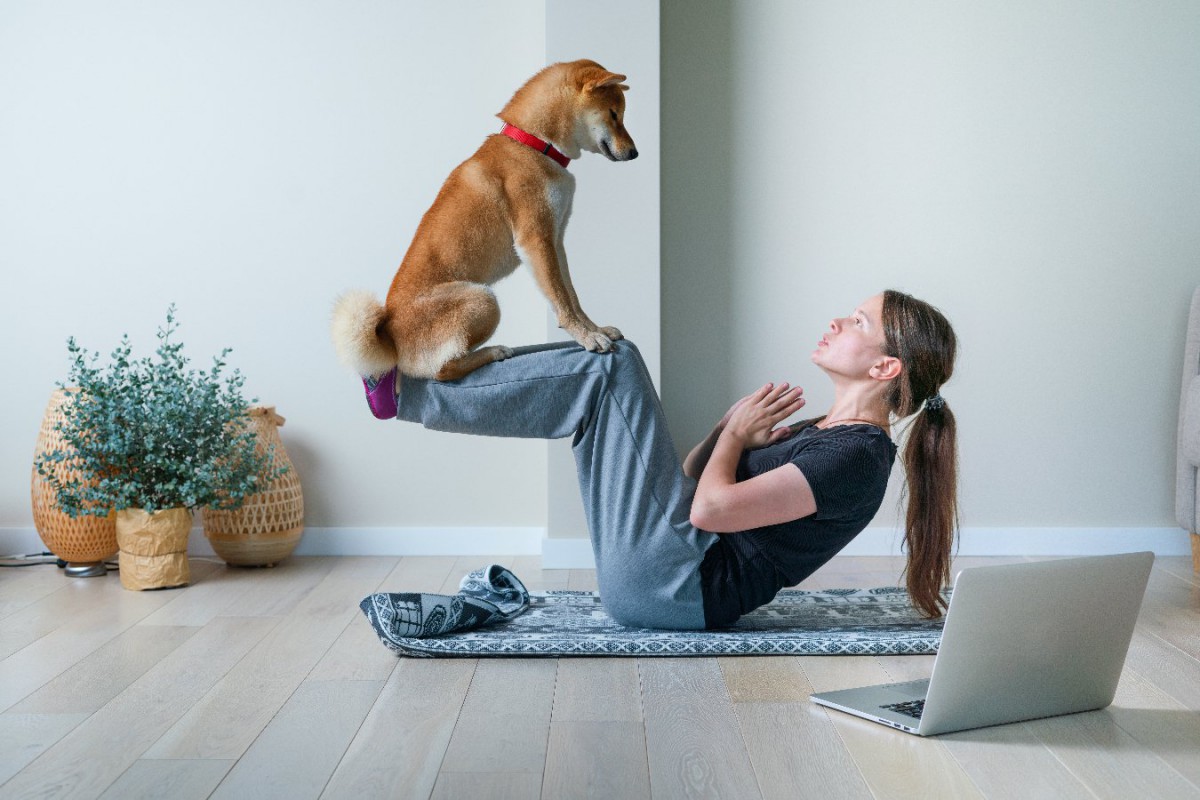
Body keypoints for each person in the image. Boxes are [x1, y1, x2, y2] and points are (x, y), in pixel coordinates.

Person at [362, 289, 958, 629]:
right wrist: (728, 430)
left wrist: (735, 439)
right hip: (667, 573)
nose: (836, 319)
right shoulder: (827, 431)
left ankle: (411, 391)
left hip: (678, 588)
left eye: (857, 321)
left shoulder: (857, 456)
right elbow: (691, 483)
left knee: (612, 362)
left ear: (885, 368)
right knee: (602, 374)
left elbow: (711, 512)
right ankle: (415, 386)